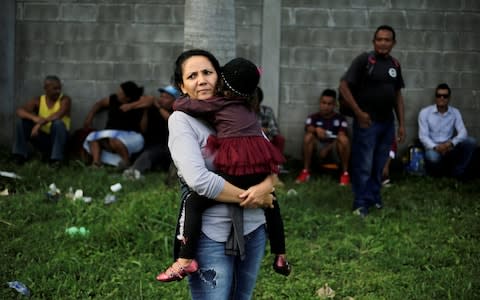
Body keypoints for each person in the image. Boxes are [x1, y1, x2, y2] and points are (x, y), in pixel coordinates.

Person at [157, 56, 290, 283]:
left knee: (193, 202)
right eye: (192, 76)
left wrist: (177, 101)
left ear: (220, 79)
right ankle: (281, 255)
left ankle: (184, 260)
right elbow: (200, 179)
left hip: (247, 208)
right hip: (221, 222)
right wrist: (258, 195)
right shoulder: (247, 109)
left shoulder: (217, 104)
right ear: (182, 85)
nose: (202, 81)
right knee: (273, 204)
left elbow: (183, 104)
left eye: (208, 73)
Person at [339, 25, 405, 217]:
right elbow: (343, 86)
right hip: (368, 123)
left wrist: (401, 123)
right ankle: (360, 203)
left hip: (387, 123)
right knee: (364, 164)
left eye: (387, 40)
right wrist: (358, 113)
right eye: (379, 39)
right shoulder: (365, 60)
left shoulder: (395, 65)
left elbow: (398, 95)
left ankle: (374, 198)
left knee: (379, 164)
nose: (383, 43)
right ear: (374, 41)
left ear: (393, 43)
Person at [418, 83, 477, 179]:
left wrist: (449, 144)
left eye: (445, 96)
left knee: (471, 142)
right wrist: (436, 147)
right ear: (435, 97)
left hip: (449, 147)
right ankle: (440, 173)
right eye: (439, 95)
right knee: (432, 157)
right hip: (433, 148)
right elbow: (423, 136)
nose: (442, 98)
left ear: (449, 98)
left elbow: (463, 133)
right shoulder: (424, 112)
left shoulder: (455, 112)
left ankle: (458, 172)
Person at [121, 85, 181, 179]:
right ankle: (133, 170)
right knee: (146, 153)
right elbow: (143, 129)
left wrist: (158, 108)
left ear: (175, 100)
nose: (161, 99)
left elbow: (171, 120)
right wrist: (145, 110)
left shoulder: (178, 112)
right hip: (154, 146)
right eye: (161, 96)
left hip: (171, 148)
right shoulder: (155, 109)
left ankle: (135, 172)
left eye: (166, 98)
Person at [82, 81, 145, 168]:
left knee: (114, 139)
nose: (117, 93)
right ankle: (96, 163)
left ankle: (126, 162)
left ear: (128, 98)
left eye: (120, 93)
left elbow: (151, 99)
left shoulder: (139, 102)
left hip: (131, 135)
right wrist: (89, 117)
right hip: (110, 132)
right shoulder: (113, 99)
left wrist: (131, 106)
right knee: (93, 137)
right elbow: (99, 104)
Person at [12, 75, 71, 166]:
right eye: (55, 89)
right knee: (22, 123)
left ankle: (56, 160)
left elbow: (58, 115)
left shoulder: (65, 100)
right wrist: (34, 118)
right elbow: (20, 111)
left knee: (58, 124)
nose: (58, 91)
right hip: (44, 139)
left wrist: (39, 124)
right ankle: (19, 156)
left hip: (60, 140)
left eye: (59, 88)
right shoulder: (38, 100)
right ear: (46, 88)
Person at [295, 89, 350, 185]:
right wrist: (316, 129)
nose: (326, 106)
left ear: (334, 105)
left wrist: (327, 149)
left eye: (330, 104)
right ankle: (305, 172)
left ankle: (345, 174)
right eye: (324, 103)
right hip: (318, 149)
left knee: (344, 139)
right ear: (320, 103)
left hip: (334, 149)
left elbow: (342, 135)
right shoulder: (313, 117)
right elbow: (308, 128)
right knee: (308, 137)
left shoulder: (341, 119)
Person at [255, 87, 286, 157]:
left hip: (267, 139)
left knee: (280, 139)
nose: (252, 101)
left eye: (254, 99)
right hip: (252, 140)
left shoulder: (267, 111)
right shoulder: (245, 113)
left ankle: (277, 164)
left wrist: (267, 130)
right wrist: (258, 130)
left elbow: (275, 130)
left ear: (259, 100)